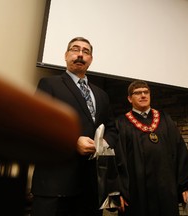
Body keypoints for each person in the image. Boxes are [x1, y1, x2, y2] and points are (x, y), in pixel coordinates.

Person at [30, 37, 117, 216]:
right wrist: (72, 141)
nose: (80, 54)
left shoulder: (101, 95)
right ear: (66, 55)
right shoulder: (49, 84)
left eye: (86, 52)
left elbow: (112, 129)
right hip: (55, 185)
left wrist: (102, 145)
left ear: (91, 59)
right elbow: (38, 123)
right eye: (75, 50)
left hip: (91, 188)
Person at [114, 80, 188, 216]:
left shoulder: (165, 119)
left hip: (165, 188)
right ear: (129, 98)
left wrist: (185, 184)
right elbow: (117, 160)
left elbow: (180, 151)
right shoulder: (121, 123)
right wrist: (118, 192)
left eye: (146, 92)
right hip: (136, 192)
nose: (143, 95)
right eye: (138, 93)